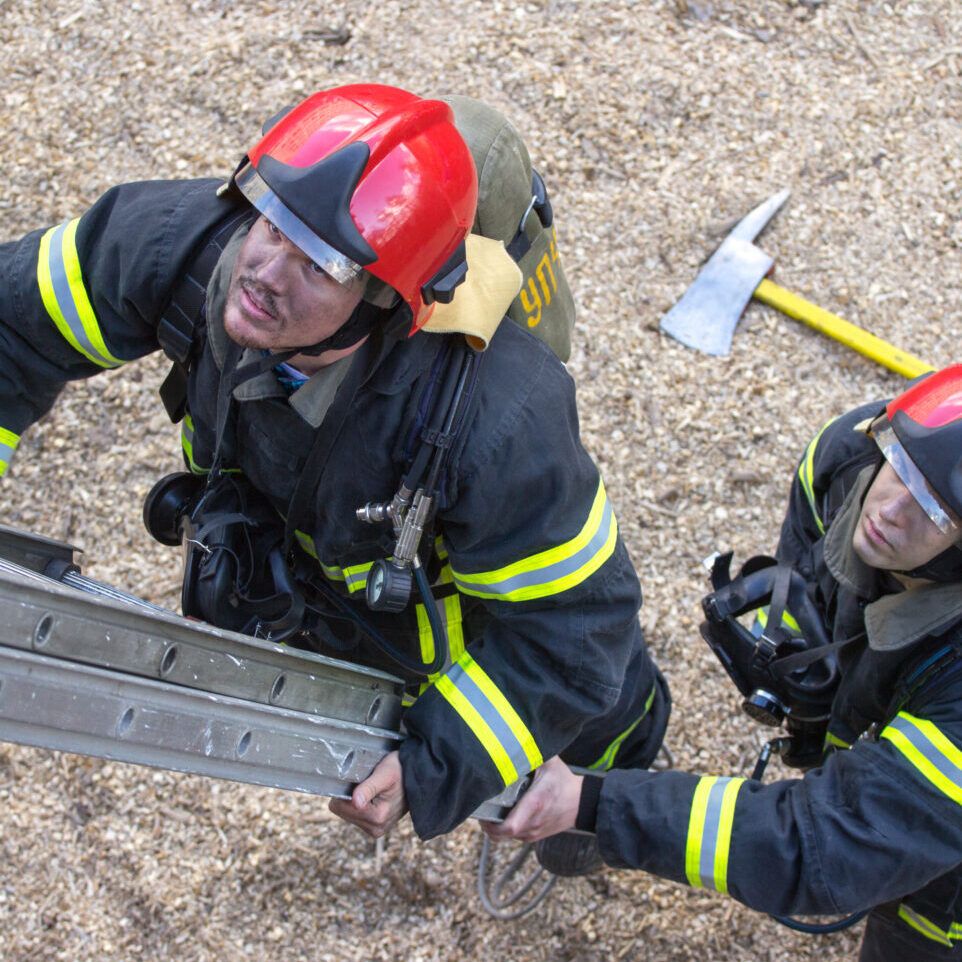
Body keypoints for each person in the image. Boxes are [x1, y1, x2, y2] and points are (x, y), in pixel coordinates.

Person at [0, 84, 669, 850]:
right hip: (301, 563)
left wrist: (437, 764)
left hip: (441, 618)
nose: (263, 268)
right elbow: (9, 324)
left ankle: (620, 788)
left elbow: (577, 633)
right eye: (271, 219)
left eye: (322, 261)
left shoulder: (500, 421)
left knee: (604, 719)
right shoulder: (172, 245)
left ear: (389, 300)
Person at [488, 364, 962, 959]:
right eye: (903, 469)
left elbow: (824, 845)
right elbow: (812, 567)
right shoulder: (848, 458)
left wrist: (590, 804)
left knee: (921, 924)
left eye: (937, 511)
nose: (892, 510)